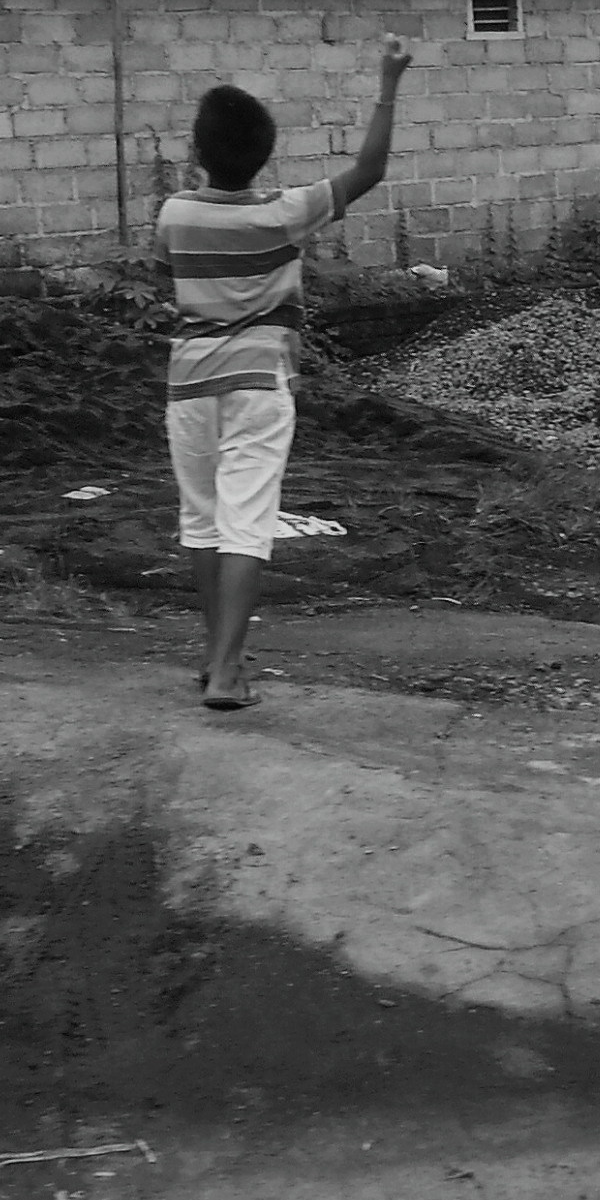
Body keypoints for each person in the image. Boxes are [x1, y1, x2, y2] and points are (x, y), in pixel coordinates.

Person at [155, 35, 412, 711]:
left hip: (188, 387)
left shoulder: (174, 213)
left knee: (202, 521)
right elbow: (369, 169)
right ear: (264, 155)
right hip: (257, 386)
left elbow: (169, 277)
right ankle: (225, 673)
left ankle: (219, 659)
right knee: (247, 525)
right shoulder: (285, 212)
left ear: (196, 152)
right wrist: (386, 82)